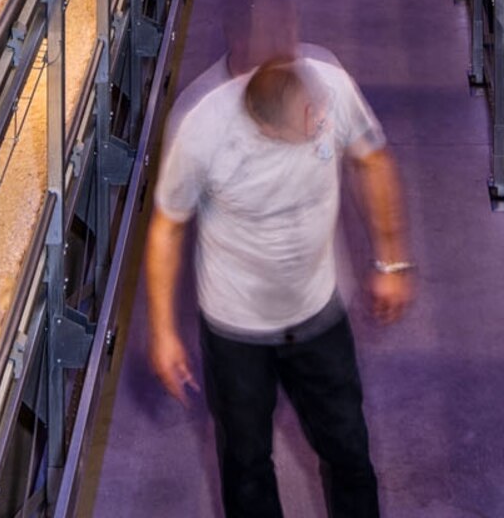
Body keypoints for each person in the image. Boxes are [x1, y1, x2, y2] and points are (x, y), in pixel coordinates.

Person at [145, 47, 413, 518]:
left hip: (317, 316)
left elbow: (373, 160)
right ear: (264, 128)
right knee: (246, 467)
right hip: (236, 332)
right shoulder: (204, 129)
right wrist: (164, 332)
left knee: (349, 451)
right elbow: (167, 227)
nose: (322, 117)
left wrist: (391, 263)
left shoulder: (327, 88)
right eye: (308, 120)